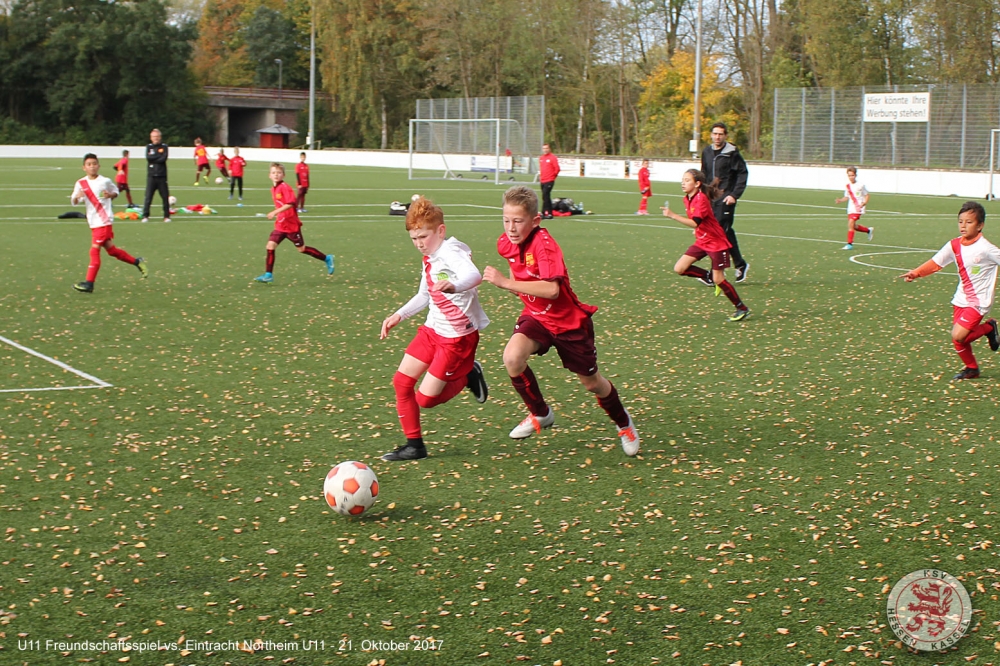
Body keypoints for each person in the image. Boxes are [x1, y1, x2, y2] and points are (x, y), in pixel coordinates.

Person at [482, 185, 640, 456]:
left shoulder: (545, 246)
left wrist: (507, 283)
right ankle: (541, 413)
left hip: (568, 324)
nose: (511, 227)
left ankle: (624, 422)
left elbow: (552, 290)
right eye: (506, 220)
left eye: (518, 221)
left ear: (535, 221)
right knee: (512, 358)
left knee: (592, 384)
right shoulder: (505, 242)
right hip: (536, 318)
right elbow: (515, 269)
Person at [378, 197, 491, 461]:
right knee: (401, 382)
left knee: (425, 400)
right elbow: (424, 295)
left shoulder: (450, 252)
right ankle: (414, 445)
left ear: (440, 231)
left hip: (456, 338)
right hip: (432, 330)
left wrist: (454, 286)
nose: (419, 243)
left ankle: (468, 376)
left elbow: (474, 276)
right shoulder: (430, 256)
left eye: (423, 236)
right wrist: (398, 315)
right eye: (414, 238)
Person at [901, 201, 1000, 380]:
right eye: (960, 221)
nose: (963, 225)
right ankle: (972, 369)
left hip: (979, 302)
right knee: (958, 340)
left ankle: (988, 328)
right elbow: (937, 262)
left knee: (958, 334)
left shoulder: (987, 249)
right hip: (961, 298)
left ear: (980, 225)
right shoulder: (954, 245)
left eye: (969, 222)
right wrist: (916, 273)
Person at [662, 169, 750, 322]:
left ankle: (741, 308)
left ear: (697, 184)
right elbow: (699, 223)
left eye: (687, 180)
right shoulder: (687, 199)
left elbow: (695, 222)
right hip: (703, 241)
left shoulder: (701, 199)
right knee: (680, 268)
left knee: (719, 279)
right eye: (683, 179)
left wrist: (672, 215)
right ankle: (707, 276)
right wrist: (698, 230)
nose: (683, 182)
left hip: (716, 243)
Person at [71, 154, 148, 293]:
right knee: (112, 251)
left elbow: (116, 191)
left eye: (94, 163)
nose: (92, 166)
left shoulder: (104, 181)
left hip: (104, 221)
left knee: (94, 250)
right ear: (84, 168)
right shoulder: (80, 183)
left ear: (98, 166)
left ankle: (89, 283)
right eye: (89, 164)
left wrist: (110, 195)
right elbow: (73, 200)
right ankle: (137, 262)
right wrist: (77, 197)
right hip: (93, 221)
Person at [254, 163, 334, 283]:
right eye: (274, 173)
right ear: (269, 175)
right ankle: (268, 274)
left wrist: (274, 212)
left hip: (291, 226)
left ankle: (327, 258)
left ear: (283, 175)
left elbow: (291, 203)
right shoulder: (273, 188)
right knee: (270, 246)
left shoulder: (285, 187)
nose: (276, 175)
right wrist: (278, 215)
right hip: (281, 225)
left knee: (301, 249)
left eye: (279, 173)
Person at [701, 122, 750, 282]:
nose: (717, 137)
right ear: (711, 134)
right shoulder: (707, 152)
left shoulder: (732, 153)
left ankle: (713, 273)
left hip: (726, 199)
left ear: (725, 136)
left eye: (720, 134)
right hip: (712, 199)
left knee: (717, 232)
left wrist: (734, 195)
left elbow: (743, 174)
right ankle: (740, 264)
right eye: (715, 133)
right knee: (725, 232)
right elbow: (704, 174)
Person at [834, 166, 873, 250]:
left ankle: (849, 244)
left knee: (850, 223)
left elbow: (867, 195)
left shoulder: (860, 185)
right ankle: (868, 230)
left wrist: (864, 203)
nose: (851, 177)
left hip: (858, 208)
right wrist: (840, 200)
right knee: (853, 226)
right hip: (851, 208)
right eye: (849, 175)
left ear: (855, 175)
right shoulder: (847, 186)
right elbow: (847, 197)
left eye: (852, 175)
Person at [142, 128, 171, 224]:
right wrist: (158, 156)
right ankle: (145, 215)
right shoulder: (149, 147)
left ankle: (166, 216)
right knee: (148, 197)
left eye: (157, 137)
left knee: (165, 197)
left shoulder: (164, 146)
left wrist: (155, 158)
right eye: (154, 137)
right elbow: (148, 158)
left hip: (162, 176)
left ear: (160, 137)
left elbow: (164, 158)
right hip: (151, 176)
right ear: (151, 138)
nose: (156, 138)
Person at [538, 143, 560, 219]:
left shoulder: (552, 157)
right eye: (544, 148)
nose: (545, 150)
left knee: (546, 195)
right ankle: (548, 213)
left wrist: (553, 177)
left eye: (546, 148)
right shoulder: (541, 158)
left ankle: (545, 213)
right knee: (545, 197)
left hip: (549, 180)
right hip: (543, 180)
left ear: (549, 149)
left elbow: (557, 168)